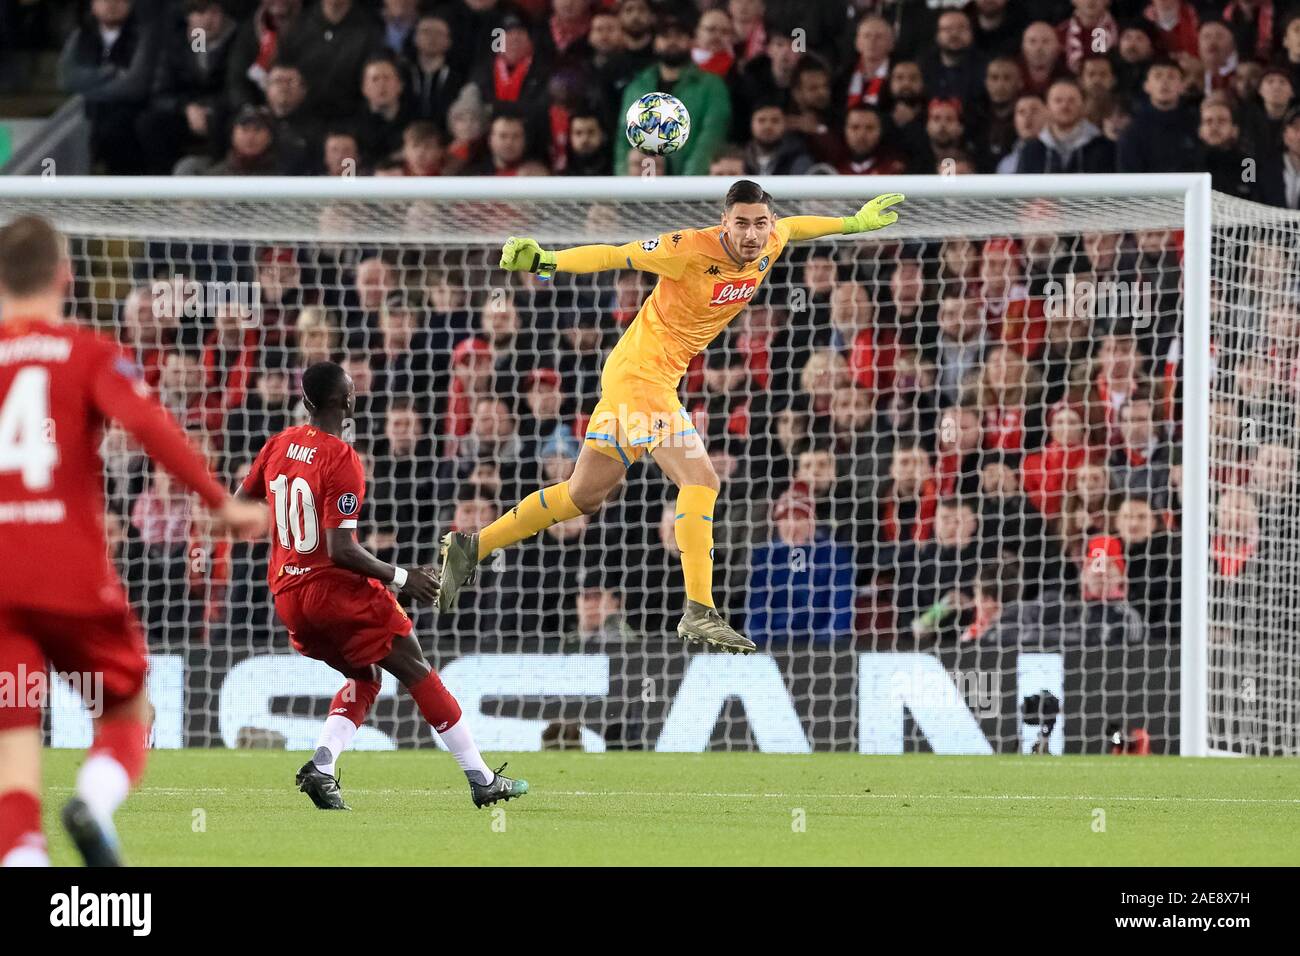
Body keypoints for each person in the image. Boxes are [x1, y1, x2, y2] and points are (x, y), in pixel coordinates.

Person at [436, 181, 905, 654]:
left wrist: (853, 223)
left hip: (644, 380)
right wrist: (547, 260)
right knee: (701, 480)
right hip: (641, 378)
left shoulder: (772, 239)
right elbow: (614, 255)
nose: (751, 234)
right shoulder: (686, 249)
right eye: (741, 224)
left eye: (760, 224)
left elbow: (800, 226)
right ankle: (700, 610)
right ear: (724, 222)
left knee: (582, 495)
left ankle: (472, 546)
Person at [0, 216, 267, 867]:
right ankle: (92, 803)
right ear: (66, 276)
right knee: (127, 715)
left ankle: (23, 856)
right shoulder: (86, 352)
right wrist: (221, 503)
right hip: (71, 573)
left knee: (13, 747)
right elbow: (150, 424)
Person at [236, 361, 527, 811]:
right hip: (335, 592)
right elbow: (341, 550)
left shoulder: (279, 444)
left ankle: (322, 765)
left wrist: (286, 538)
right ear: (347, 401)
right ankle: (482, 778)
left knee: (364, 675)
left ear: (307, 402)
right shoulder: (342, 458)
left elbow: (240, 506)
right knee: (416, 667)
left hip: (288, 596)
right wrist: (403, 577)